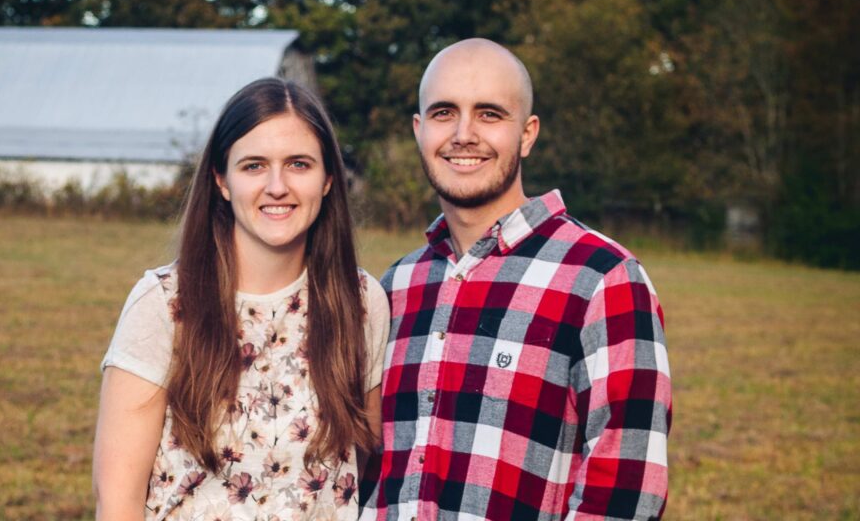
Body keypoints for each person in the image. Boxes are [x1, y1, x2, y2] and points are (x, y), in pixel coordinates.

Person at [363, 39, 672, 520]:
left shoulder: (602, 279)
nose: (464, 134)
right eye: (444, 113)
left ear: (527, 134)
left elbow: (625, 494)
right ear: (419, 131)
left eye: (489, 114)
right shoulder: (396, 286)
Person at [94, 78, 389, 520]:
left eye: (298, 164)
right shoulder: (165, 304)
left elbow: (364, 464)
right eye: (253, 166)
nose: (277, 186)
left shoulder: (361, 301)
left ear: (328, 179)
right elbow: (118, 504)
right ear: (222, 180)